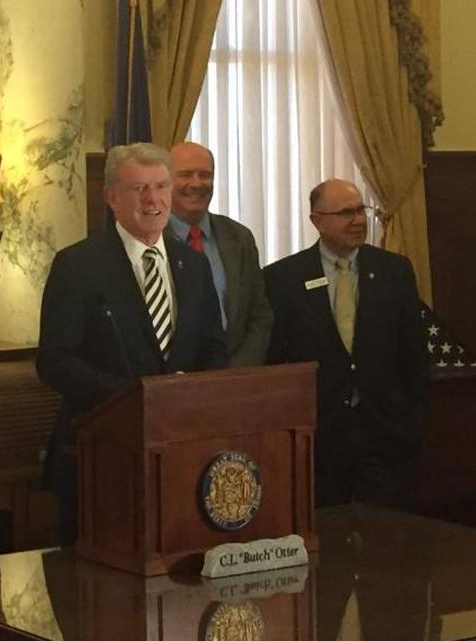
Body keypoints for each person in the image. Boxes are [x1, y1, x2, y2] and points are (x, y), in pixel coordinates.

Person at [36, 142, 228, 545]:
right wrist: (136, 397)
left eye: (160, 186)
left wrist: (192, 395)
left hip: (180, 455)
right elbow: (55, 360)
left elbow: (213, 349)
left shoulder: (192, 265)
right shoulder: (78, 266)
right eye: (139, 188)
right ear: (111, 197)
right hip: (102, 456)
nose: (153, 199)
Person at [263, 178, 428, 507]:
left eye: (360, 210)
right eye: (345, 213)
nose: (357, 220)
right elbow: (273, 360)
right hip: (319, 439)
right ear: (317, 221)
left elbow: (414, 354)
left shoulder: (394, 271)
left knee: (388, 539)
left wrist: (413, 423)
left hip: (384, 433)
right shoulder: (281, 279)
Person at [167, 142, 272, 366]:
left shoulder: (239, 237)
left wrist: (236, 374)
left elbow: (259, 315)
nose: (197, 183)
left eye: (205, 175)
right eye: (186, 174)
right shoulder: (151, 240)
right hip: (174, 384)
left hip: (236, 381)